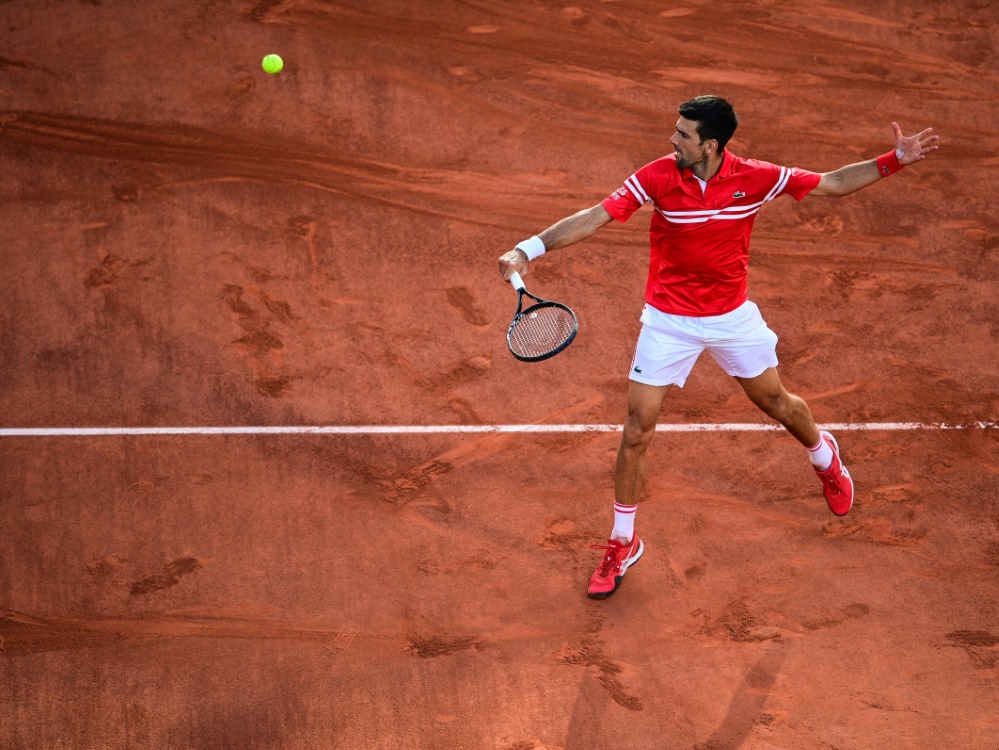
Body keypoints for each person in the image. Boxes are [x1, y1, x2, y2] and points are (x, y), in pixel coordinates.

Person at [497, 95, 939, 600]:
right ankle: (623, 540)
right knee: (637, 427)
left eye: (682, 134)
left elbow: (833, 183)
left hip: (731, 318)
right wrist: (527, 248)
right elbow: (597, 215)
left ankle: (824, 457)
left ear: (710, 145)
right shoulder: (659, 175)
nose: (672, 140)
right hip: (668, 321)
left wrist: (894, 161)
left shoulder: (757, 177)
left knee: (777, 404)